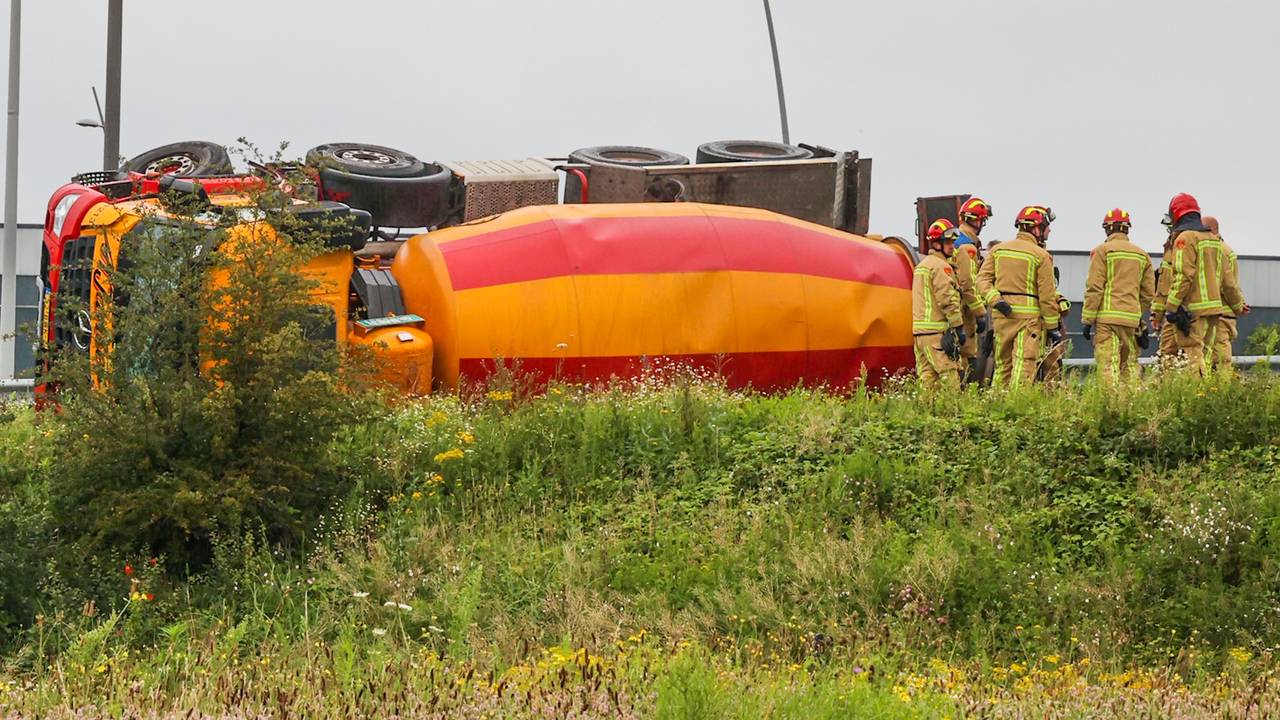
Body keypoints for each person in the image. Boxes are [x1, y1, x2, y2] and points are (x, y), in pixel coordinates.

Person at [976, 206, 1062, 388]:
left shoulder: (998, 250)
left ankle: (998, 407)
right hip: (1028, 321)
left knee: (1002, 367)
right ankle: (1017, 408)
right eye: (1046, 226)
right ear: (1036, 228)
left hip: (1002, 317)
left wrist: (995, 301)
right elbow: (1046, 296)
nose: (1049, 230)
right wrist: (1053, 327)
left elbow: (982, 280)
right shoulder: (1041, 255)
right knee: (1024, 366)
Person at [1160, 193, 1246, 374]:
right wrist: (1238, 306)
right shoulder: (1215, 241)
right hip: (1214, 311)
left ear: (1176, 214)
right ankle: (1207, 396)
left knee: (1193, 356)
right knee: (1206, 356)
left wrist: (1171, 307)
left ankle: (1197, 396)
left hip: (1194, 311)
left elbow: (1183, 276)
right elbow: (1228, 281)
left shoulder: (1184, 238)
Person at [1080, 208, 1156, 384]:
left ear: (1107, 229)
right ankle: (1131, 404)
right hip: (1131, 320)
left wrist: (1087, 319)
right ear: (1127, 229)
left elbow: (1094, 287)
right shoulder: (1142, 255)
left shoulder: (1102, 251)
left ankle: (1112, 406)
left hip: (1107, 320)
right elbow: (1148, 292)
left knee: (1108, 364)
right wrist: (1136, 311)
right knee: (1129, 365)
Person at [912, 219, 965, 388]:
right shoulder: (941, 266)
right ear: (936, 244)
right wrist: (958, 326)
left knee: (928, 379)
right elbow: (947, 299)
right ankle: (951, 411)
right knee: (950, 376)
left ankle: (925, 412)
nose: (952, 246)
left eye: (952, 242)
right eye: (947, 242)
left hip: (920, 333)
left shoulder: (922, 266)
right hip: (936, 332)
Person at [953, 198, 992, 382]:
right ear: (978, 221)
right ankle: (962, 394)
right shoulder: (967, 247)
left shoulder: (956, 240)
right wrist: (980, 312)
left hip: (954, 306)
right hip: (964, 309)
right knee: (966, 354)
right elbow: (967, 283)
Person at [1202, 215, 1246, 371]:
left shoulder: (1218, 250)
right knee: (1214, 358)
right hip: (1220, 314)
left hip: (1220, 315)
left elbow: (1229, 285)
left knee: (1220, 360)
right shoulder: (1223, 249)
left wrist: (1238, 306)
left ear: (1211, 230)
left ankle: (1222, 393)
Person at [1150, 218, 1179, 362]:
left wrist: (1160, 314)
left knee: (1167, 355)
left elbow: (1166, 285)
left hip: (1177, 312)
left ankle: (1169, 383)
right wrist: (1156, 314)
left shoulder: (1180, 246)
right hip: (1176, 311)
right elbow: (1162, 285)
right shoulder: (1171, 246)